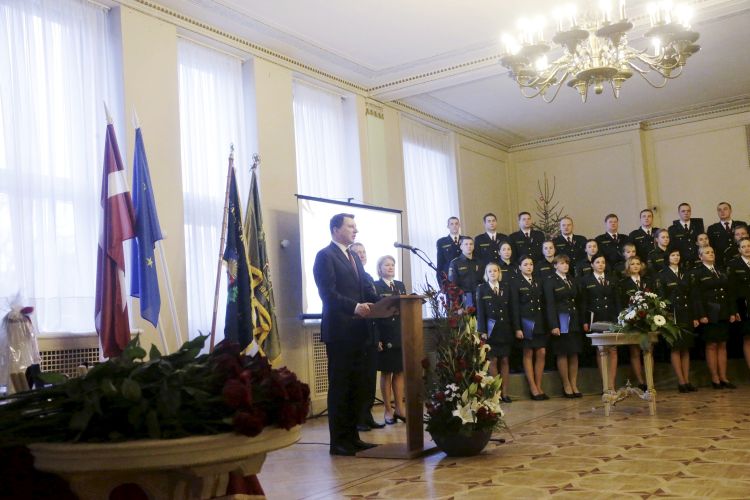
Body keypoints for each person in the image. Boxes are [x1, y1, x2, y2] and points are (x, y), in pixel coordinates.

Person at [313, 213, 379, 456]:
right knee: (341, 387)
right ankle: (338, 442)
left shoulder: (353, 257)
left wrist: (388, 302)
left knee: (356, 387)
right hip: (340, 332)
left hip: (359, 333)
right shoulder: (325, 256)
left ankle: (353, 438)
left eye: (355, 226)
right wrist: (355, 307)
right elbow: (327, 294)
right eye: (350, 226)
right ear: (335, 229)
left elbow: (364, 291)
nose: (355, 230)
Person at [349, 243, 385, 432]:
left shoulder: (368, 277)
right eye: (358, 253)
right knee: (361, 380)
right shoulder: (352, 278)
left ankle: (368, 415)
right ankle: (359, 418)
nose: (362, 255)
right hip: (358, 334)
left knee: (370, 379)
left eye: (364, 252)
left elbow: (375, 307)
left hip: (371, 335)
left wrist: (377, 338)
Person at [690, 246, 737, 389]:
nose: (711, 254)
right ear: (700, 257)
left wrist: (732, 312)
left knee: (722, 344)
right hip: (709, 312)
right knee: (711, 345)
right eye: (707, 252)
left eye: (712, 252)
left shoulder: (720, 270)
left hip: (723, 311)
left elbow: (729, 292)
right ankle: (715, 378)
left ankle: (723, 377)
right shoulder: (698, 273)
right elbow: (696, 296)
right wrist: (701, 314)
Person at [657, 247, 698, 393]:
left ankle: (687, 380)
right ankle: (680, 381)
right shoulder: (662, 274)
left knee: (686, 347)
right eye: (673, 255)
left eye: (678, 255)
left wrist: (695, 316)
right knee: (675, 347)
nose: (676, 257)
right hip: (672, 314)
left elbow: (692, 295)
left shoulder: (685, 272)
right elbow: (661, 298)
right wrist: (665, 316)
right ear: (668, 257)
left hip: (686, 313)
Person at [372, 255, 407, 425]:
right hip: (384, 334)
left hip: (399, 333)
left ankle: (400, 408)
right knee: (386, 372)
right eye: (386, 265)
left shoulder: (400, 285)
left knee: (399, 371)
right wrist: (377, 337)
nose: (390, 267)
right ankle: (388, 410)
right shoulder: (375, 286)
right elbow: (374, 313)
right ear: (380, 268)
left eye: (392, 264)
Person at [544, 255, 583, 398]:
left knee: (574, 352)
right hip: (561, 319)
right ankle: (566, 384)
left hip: (573, 318)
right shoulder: (550, 281)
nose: (565, 265)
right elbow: (550, 304)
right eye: (561, 263)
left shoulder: (572, 279)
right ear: (555, 265)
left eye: (567, 263)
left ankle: (574, 383)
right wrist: (553, 325)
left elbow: (577, 300)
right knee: (563, 352)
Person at [510, 255, 548, 400]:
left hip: (539, 321)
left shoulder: (538, 280)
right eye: (525, 264)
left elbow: (543, 302)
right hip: (525, 322)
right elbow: (514, 307)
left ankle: (539, 385)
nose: (529, 267)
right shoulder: (515, 282)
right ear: (520, 267)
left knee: (542, 352)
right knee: (528, 353)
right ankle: (533, 387)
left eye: (531, 264)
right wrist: (517, 328)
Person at [580, 254, 620, 390]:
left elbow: (617, 300)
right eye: (597, 262)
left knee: (613, 349)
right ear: (592, 265)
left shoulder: (612, 279)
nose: (601, 264)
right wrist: (584, 321)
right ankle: (605, 385)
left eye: (603, 262)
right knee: (601, 349)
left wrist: (620, 318)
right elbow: (583, 302)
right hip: (596, 318)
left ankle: (612, 384)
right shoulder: (586, 280)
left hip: (611, 317)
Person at [475, 263, 513, 403]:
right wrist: (482, 330)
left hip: (505, 329)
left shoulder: (505, 287)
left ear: (499, 273)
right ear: (486, 274)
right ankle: (496, 392)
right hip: (490, 331)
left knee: (505, 360)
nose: (492, 273)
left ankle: (505, 392)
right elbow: (480, 312)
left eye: (495, 271)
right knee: (493, 360)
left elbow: (511, 309)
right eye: (489, 271)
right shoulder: (482, 289)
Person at [618, 256, 650, 391]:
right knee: (635, 351)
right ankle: (641, 381)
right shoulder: (623, 283)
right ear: (628, 267)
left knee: (648, 349)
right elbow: (621, 302)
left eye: (638, 263)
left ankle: (649, 379)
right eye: (632, 264)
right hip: (631, 319)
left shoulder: (647, 281)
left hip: (647, 319)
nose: (636, 266)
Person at [726, 237, 750, 375]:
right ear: (739, 250)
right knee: (748, 338)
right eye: (743, 246)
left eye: (749, 246)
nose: (747, 249)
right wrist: (734, 310)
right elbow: (732, 290)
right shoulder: (734, 264)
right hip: (744, 307)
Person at [707, 202, 747, 270]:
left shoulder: (741, 224)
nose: (722, 212)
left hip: (741, 260)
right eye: (719, 210)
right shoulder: (712, 228)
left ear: (730, 211)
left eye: (725, 209)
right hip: (721, 263)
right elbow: (711, 246)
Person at [448, 236, 482, 307]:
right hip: (464, 298)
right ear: (461, 247)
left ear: (473, 246)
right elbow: (452, 286)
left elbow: (483, 281)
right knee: (468, 315)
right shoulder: (455, 263)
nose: (469, 246)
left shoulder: (479, 262)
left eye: (471, 244)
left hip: (478, 297)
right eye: (466, 244)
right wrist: (457, 306)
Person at [436, 216, 466, 283]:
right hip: (449, 278)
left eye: (456, 223)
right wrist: (441, 283)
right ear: (448, 226)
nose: (454, 226)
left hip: (465, 277)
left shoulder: (466, 239)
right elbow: (440, 263)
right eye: (452, 224)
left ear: (459, 225)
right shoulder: (442, 242)